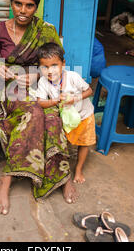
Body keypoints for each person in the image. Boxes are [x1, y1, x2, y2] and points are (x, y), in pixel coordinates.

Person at [0, 0, 78, 215]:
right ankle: (6, 179)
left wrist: (37, 75)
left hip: (42, 87)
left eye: (29, 5)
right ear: (11, 3)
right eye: (18, 4)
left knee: (54, 115)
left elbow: (57, 65)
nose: (23, 11)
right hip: (10, 90)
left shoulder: (46, 31)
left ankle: (63, 176)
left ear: (36, 6)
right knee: (35, 112)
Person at [36, 42, 96, 184]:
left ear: (63, 63)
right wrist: (56, 100)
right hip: (67, 118)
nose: (50, 71)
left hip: (84, 116)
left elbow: (89, 91)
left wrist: (75, 98)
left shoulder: (73, 77)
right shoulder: (44, 82)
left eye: (54, 65)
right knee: (65, 142)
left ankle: (79, 169)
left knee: (84, 143)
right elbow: (40, 102)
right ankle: (63, 167)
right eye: (45, 67)